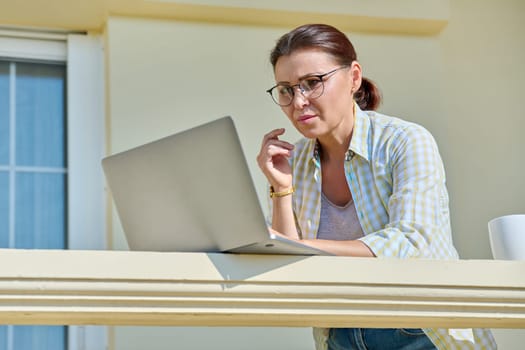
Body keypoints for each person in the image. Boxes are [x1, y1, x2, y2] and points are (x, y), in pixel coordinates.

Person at [256, 23, 496, 350]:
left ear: (354, 77)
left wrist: (298, 248)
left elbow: (410, 242)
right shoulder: (296, 162)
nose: (298, 102)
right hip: (340, 334)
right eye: (285, 89)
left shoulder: (404, 141)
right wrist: (281, 189)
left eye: (312, 83)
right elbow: (288, 266)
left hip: (421, 330)